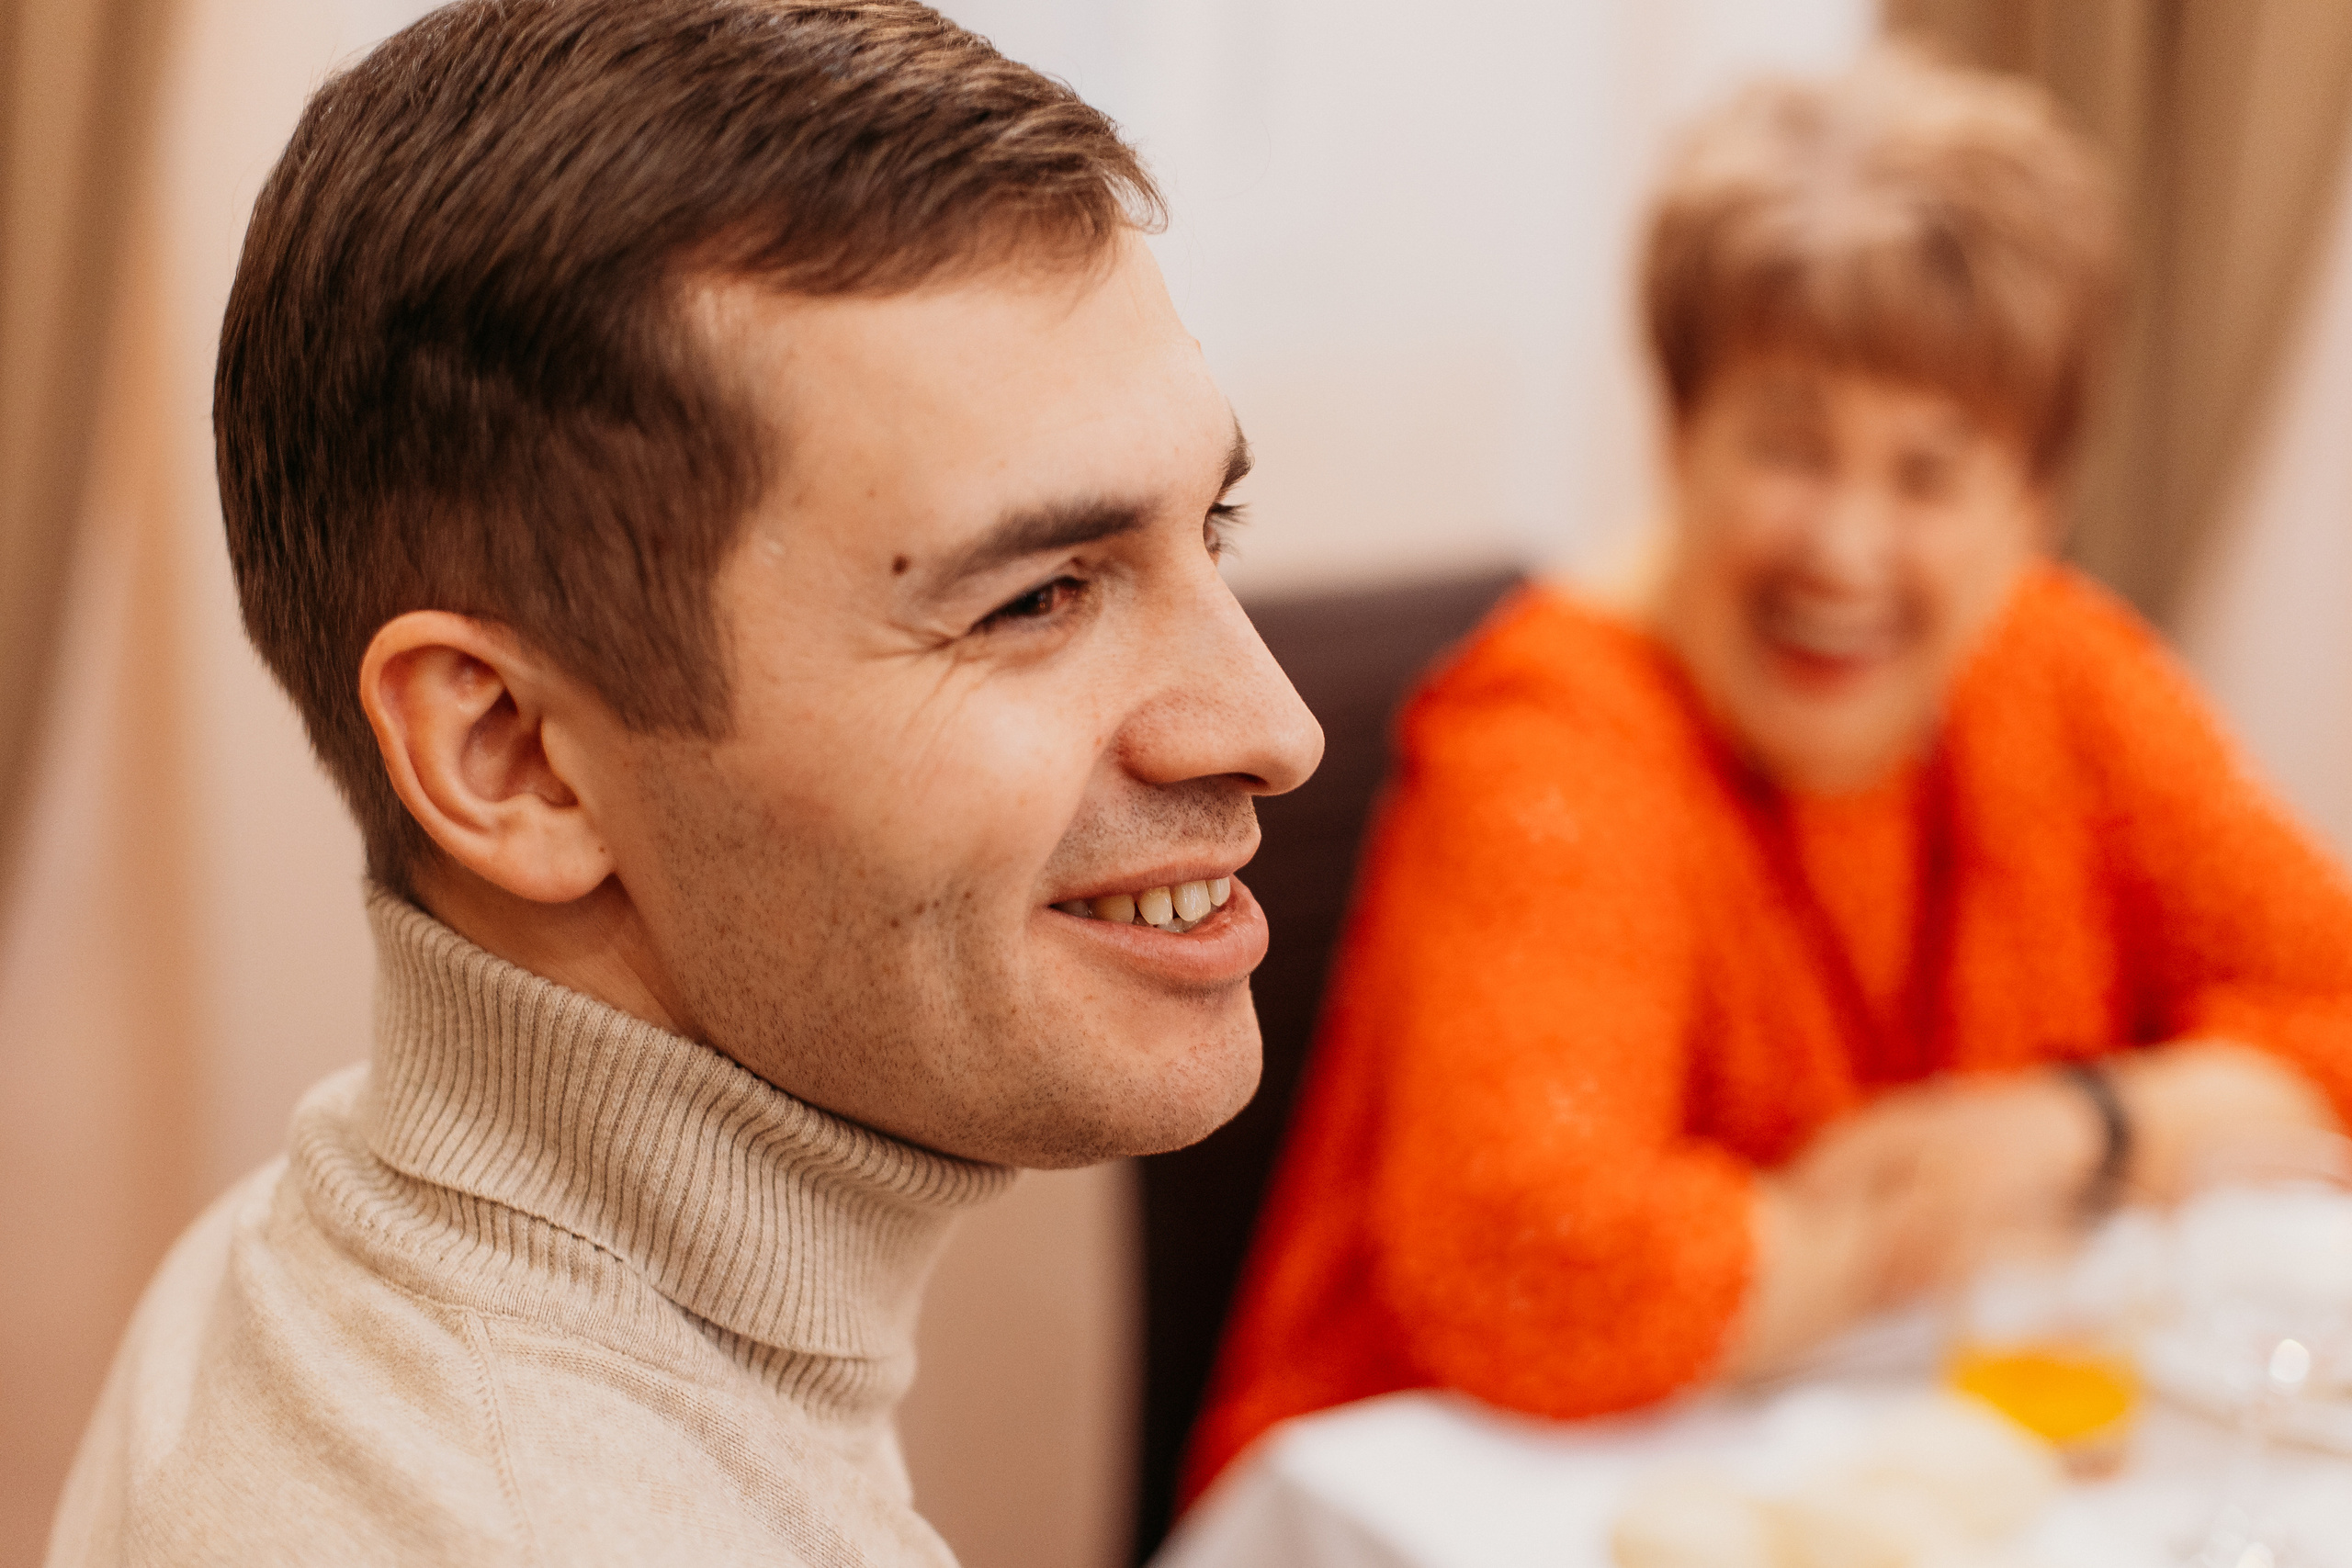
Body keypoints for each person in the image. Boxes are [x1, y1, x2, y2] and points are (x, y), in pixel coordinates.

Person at [48, 3, 1321, 1563]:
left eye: (1215, 531)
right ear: (510, 756)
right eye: (1035, 598)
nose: (1276, 726)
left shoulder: (292, 1240)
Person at [1184, 49, 2352, 1505]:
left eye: (1930, 474)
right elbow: (1545, 1280)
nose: (1847, 551)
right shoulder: (1550, 733)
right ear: (1681, 434)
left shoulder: (2059, 669)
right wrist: (1958, 1215)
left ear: (2033, 501)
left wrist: (2080, 1131)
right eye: (1790, 447)